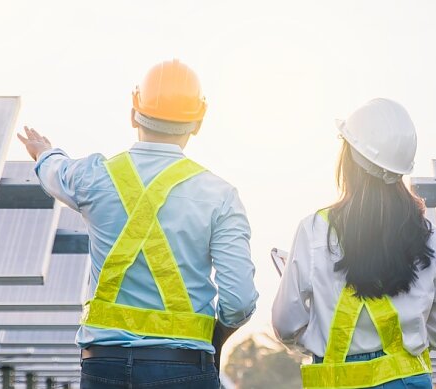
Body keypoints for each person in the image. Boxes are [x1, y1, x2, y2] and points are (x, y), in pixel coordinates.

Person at [16, 59, 257, 388]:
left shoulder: (94, 177)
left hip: (104, 367)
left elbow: (55, 172)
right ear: (198, 122)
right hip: (183, 367)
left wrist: (43, 152)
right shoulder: (220, 195)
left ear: (134, 113)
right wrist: (214, 339)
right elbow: (239, 300)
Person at [272, 98, 436, 389]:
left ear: (349, 160)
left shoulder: (315, 230)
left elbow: (285, 324)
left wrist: (319, 336)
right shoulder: (429, 236)